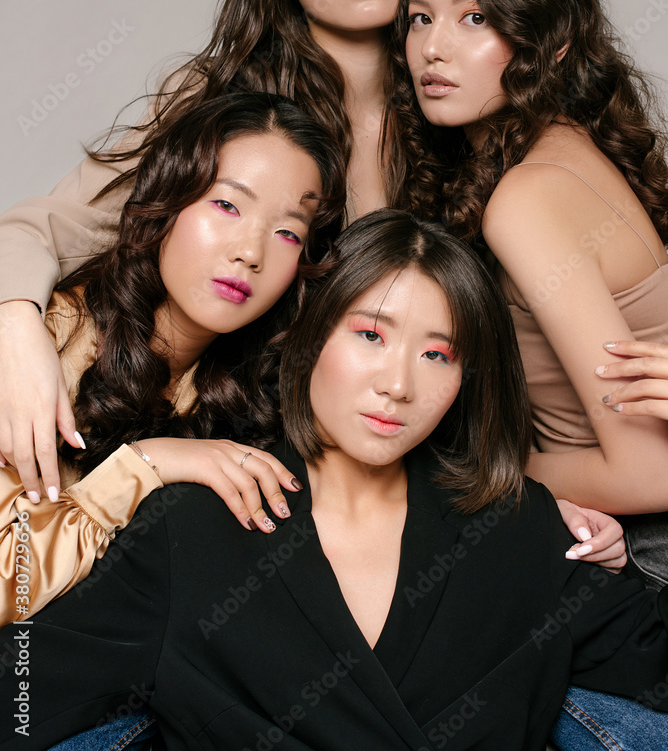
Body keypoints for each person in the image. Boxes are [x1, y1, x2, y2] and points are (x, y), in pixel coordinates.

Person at [1, 210, 668, 751]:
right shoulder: (192, 528)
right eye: (371, 335)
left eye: (437, 354)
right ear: (312, 336)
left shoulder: (519, 528)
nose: (398, 384)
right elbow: (22, 688)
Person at [0, 0, 434, 503]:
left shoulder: (456, 117)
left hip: (384, 466)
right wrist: (13, 331)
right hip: (236, 453)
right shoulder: (221, 100)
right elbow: (41, 229)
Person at [403, 0, 668, 746]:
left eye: (474, 18)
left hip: (644, 555)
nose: (433, 47)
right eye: (420, 17)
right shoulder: (569, 151)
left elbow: (649, 470)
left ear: (551, 46)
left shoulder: (527, 197)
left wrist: (476, 476)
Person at [0, 90, 346, 628]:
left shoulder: (251, 398)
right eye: (227, 206)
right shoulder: (46, 340)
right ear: (167, 200)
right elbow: (10, 585)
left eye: (287, 232)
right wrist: (146, 466)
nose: (250, 252)